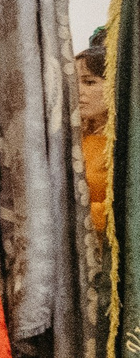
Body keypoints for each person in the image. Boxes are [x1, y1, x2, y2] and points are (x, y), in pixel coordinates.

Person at [77, 39, 109, 234]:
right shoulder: (72, 137)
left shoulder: (124, 144)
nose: (79, 91)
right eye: (75, 82)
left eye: (89, 82)